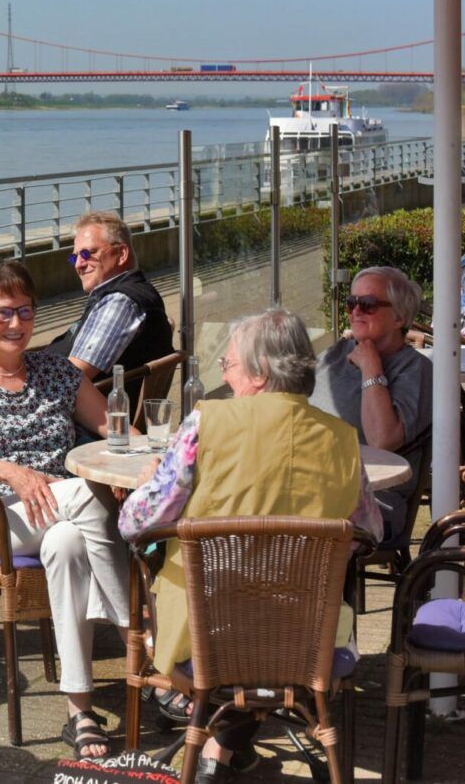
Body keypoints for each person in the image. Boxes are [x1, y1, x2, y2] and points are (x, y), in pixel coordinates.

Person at [120, 309, 382, 784]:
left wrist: (146, 486)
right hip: (309, 644)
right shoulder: (343, 441)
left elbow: (136, 523)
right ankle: (225, 748)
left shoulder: (206, 424)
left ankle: (214, 744)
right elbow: (371, 532)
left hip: (204, 639)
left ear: (260, 372)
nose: (224, 373)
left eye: (230, 364)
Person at [0, 259, 129, 759]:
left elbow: (113, 432)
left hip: (61, 515)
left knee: (70, 544)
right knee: (89, 496)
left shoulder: (58, 371)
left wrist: (148, 462)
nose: (16, 324)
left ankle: (79, 711)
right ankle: (141, 638)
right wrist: (10, 471)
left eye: (25, 311)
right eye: (3, 313)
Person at [310, 266, 432, 546]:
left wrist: (371, 366)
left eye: (367, 304)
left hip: (371, 504)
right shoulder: (337, 354)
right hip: (314, 486)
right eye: (352, 303)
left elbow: (382, 439)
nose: (355, 312)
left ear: (400, 317)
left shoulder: (415, 370)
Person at [50, 211, 174, 397]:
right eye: (75, 257)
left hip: (80, 416)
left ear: (121, 254)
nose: (78, 265)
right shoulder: (118, 295)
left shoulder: (122, 302)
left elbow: (71, 377)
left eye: (87, 253)